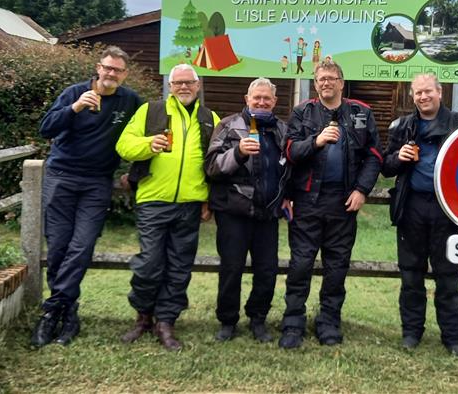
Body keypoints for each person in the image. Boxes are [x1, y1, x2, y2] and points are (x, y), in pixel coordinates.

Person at [382, 73, 458, 357]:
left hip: (447, 210)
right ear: (412, 97)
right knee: (411, 275)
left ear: (440, 93)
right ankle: (412, 333)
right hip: (411, 209)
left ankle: (453, 339)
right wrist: (398, 158)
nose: (423, 97)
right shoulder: (402, 126)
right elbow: (385, 167)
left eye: (428, 92)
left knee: (448, 277)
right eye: (418, 93)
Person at [31, 46, 142, 348]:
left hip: (97, 182)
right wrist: (75, 107)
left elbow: (146, 130)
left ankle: (50, 312)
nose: (111, 74)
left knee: (81, 247)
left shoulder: (129, 100)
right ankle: (67, 313)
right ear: (98, 67)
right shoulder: (74, 93)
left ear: (124, 74)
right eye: (107, 68)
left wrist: (133, 172)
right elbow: (46, 128)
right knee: (58, 247)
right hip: (61, 177)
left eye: (117, 70)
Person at [279, 60, 382, 349]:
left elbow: (375, 155)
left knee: (336, 268)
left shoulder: (361, 112)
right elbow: (290, 151)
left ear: (341, 82)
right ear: (315, 84)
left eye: (331, 78)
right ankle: (293, 324)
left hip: (344, 203)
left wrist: (362, 189)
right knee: (300, 265)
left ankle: (328, 324)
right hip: (307, 202)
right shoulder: (302, 112)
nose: (326, 82)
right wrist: (317, 140)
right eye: (321, 78)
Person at [116, 64, 219, 350]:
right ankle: (143, 317)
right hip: (153, 200)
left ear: (197, 86)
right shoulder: (151, 111)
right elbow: (124, 146)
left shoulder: (209, 118)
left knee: (179, 267)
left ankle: (166, 322)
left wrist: (208, 200)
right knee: (149, 264)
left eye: (189, 82)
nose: (183, 87)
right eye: (178, 83)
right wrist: (150, 144)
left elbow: (216, 164)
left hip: (189, 204)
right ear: (170, 86)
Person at [205, 77, 292, 343]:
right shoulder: (228, 126)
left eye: (267, 98)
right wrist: (239, 153)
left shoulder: (282, 129)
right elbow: (211, 166)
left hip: (268, 212)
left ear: (274, 102)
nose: (262, 102)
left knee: (267, 270)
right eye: (257, 98)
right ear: (247, 99)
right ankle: (228, 321)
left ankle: (258, 319)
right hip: (234, 210)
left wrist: (287, 196)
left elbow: (291, 167)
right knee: (231, 268)